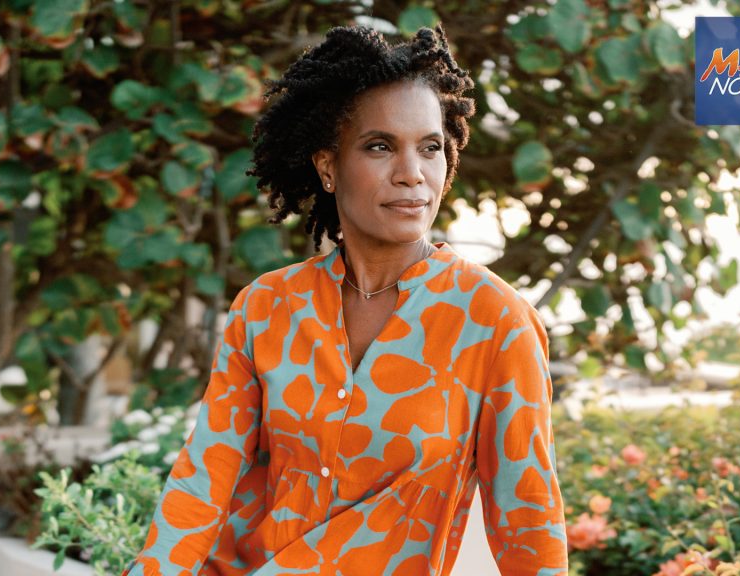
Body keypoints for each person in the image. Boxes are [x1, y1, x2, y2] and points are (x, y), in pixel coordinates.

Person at [124, 25, 568, 576]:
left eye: (430, 148)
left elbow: (529, 523)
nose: (412, 174)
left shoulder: (495, 321)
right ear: (328, 168)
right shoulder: (266, 308)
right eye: (380, 146)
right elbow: (204, 477)